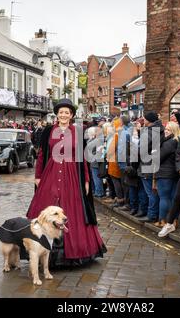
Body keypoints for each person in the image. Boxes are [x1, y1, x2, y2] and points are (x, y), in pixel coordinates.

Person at [26, 98, 106, 267]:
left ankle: (75, 252)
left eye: (67, 112)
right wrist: (38, 176)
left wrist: (85, 178)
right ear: (57, 114)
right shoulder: (49, 131)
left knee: (73, 210)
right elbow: (41, 155)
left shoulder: (77, 132)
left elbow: (82, 158)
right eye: (61, 112)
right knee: (46, 211)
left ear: (71, 115)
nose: (63, 115)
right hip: (51, 174)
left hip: (72, 176)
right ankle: (42, 250)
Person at [154, 122, 180, 227]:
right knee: (173, 197)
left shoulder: (169, 143)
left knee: (164, 198)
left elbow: (158, 158)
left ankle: (163, 220)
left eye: (168, 130)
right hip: (174, 173)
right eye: (165, 129)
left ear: (173, 131)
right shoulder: (178, 141)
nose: (165, 131)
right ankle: (174, 220)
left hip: (165, 174)